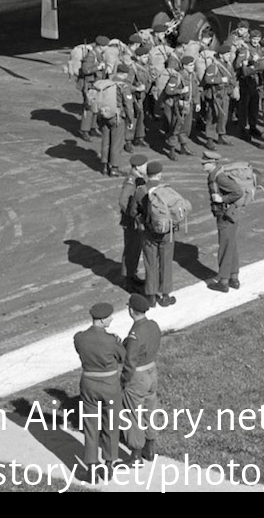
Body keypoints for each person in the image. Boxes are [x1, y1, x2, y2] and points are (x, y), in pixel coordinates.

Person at [73, 302, 125, 473]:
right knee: (111, 423)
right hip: (109, 385)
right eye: (109, 317)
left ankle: (91, 466)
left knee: (90, 425)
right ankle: (110, 462)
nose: (111, 318)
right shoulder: (111, 341)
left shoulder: (80, 338)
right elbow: (122, 357)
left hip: (88, 384)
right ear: (102, 320)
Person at [120, 292, 162, 463]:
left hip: (138, 376)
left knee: (133, 413)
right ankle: (149, 447)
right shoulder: (153, 325)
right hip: (152, 370)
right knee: (150, 409)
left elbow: (130, 362)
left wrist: (123, 381)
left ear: (131, 310)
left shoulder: (135, 334)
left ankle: (136, 452)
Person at [137, 161, 177, 307]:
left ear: (147, 174)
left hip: (149, 232)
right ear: (160, 174)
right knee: (166, 262)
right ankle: (165, 295)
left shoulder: (141, 190)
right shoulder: (166, 189)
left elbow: (133, 211)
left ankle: (151, 297)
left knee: (150, 263)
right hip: (167, 232)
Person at [204, 153, 243, 292]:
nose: (202, 165)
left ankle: (224, 281)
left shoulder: (219, 177)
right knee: (231, 244)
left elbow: (237, 192)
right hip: (231, 214)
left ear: (212, 162)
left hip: (225, 215)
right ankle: (234, 278)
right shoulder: (218, 174)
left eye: (205, 163)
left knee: (225, 246)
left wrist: (222, 199)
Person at [68, 34, 110, 139]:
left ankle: (93, 127)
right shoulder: (91, 56)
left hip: (96, 84)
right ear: (100, 46)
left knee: (96, 107)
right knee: (89, 108)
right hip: (89, 85)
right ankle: (85, 130)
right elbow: (86, 69)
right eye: (105, 46)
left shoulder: (99, 54)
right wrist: (98, 67)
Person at [119, 153, 149, 290]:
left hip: (134, 221)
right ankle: (127, 279)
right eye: (144, 165)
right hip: (131, 222)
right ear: (137, 167)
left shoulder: (138, 178)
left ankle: (132, 274)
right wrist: (134, 215)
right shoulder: (131, 181)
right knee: (131, 249)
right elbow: (123, 201)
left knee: (136, 248)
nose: (146, 167)